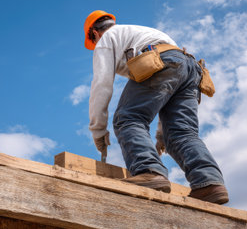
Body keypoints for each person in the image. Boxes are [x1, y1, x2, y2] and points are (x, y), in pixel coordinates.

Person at [85, 10, 229, 204]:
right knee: (182, 133)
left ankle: (148, 171)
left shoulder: (106, 39)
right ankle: (209, 184)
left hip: (162, 61)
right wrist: (162, 136)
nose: (95, 46)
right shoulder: (140, 33)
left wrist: (98, 130)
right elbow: (166, 87)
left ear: (94, 32)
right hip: (189, 67)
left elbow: (101, 84)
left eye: (93, 42)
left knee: (128, 118)